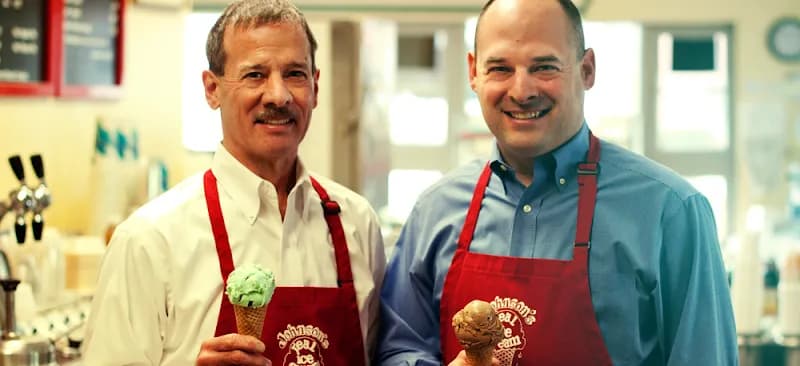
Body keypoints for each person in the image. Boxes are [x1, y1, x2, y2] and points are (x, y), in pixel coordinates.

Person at [376, 0, 737, 365]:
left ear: (587, 70)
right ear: (474, 72)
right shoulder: (435, 211)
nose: (522, 91)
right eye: (500, 68)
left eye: (544, 67)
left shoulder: (670, 212)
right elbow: (399, 348)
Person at [80, 1, 386, 365]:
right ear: (212, 89)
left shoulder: (357, 224)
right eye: (255, 75)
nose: (278, 95)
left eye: (295, 74)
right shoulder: (149, 240)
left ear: (315, 87)